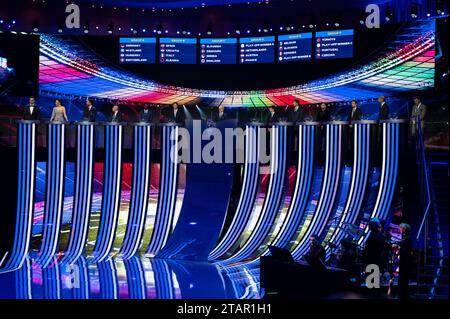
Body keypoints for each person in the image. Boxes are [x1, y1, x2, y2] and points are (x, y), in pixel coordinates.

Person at [397, 223, 413, 299]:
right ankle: (402, 295)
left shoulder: (407, 239)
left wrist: (399, 248)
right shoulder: (405, 238)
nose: (399, 229)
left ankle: (402, 295)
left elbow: (406, 251)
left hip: (405, 263)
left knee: (403, 279)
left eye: (401, 228)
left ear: (404, 229)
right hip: (404, 262)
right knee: (403, 279)